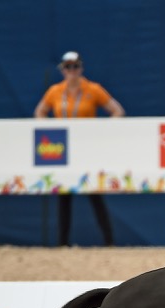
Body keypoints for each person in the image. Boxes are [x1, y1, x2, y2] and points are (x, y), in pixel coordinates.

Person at [34, 51, 124, 246]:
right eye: (68, 67)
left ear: (81, 68)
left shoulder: (93, 89)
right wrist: (50, 129)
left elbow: (117, 111)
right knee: (64, 193)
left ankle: (109, 241)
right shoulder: (55, 91)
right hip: (64, 148)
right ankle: (62, 242)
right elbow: (40, 112)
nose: (72, 70)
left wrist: (101, 131)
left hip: (87, 147)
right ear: (63, 70)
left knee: (94, 192)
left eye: (75, 66)